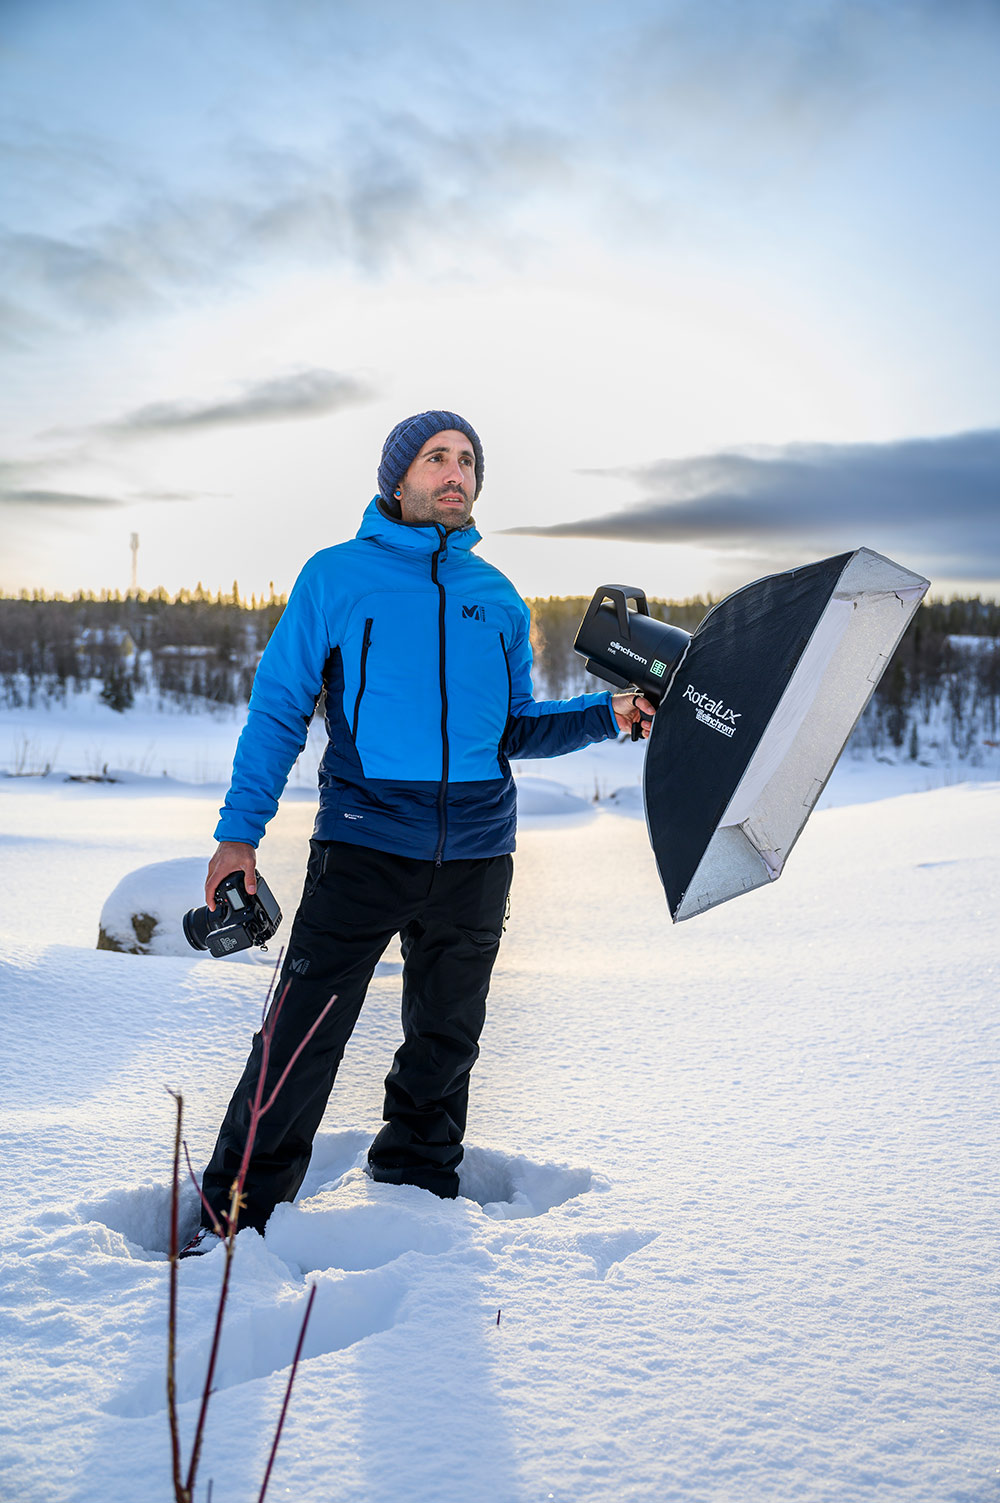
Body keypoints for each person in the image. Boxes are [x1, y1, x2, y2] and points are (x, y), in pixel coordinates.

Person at [182, 410, 654, 1255]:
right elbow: (280, 708)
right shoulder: (337, 577)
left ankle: (416, 1193)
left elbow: (515, 726)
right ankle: (234, 1219)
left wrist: (608, 713)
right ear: (397, 478)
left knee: (445, 1042)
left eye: (467, 461)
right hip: (363, 844)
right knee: (300, 1038)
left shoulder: (496, 596)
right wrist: (239, 833)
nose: (455, 473)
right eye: (437, 458)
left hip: (477, 855)